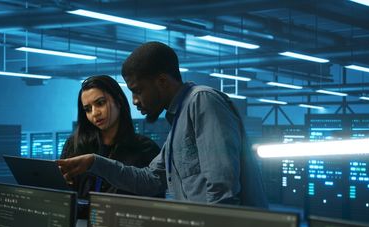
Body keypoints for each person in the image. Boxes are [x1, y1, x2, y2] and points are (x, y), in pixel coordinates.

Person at [58, 42, 268, 208]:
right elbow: (148, 180)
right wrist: (94, 162)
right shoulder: (179, 122)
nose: (135, 100)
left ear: (162, 82)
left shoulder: (202, 101)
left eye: (138, 90)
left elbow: (223, 194)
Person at [61, 75, 160, 227]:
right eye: (87, 109)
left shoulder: (144, 149)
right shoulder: (75, 146)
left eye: (100, 103)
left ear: (118, 100)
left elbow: (153, 199)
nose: (95, 113)